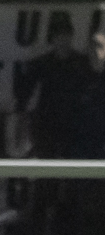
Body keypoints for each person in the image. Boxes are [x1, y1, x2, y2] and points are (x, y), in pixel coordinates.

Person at [22, 22, 93, 158]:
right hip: (48, 120)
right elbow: (26, 92)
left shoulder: (83, 63)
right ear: (53, 38)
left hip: (74, 121)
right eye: (59, 36)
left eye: (66, 35)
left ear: (71, 37)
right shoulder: (41, 63)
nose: (62, 40)